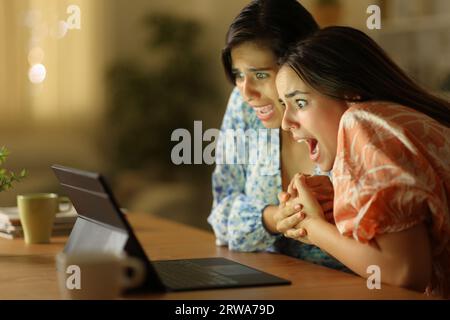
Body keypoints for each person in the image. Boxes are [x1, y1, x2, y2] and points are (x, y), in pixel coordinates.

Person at [274, 26, 450, 297]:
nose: (286, 123)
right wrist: (339, 207)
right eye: (284, 106)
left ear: (350, 92)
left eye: (299, 102)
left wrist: (311, 226)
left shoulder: (362, 122)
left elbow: (403, 273)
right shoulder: (403, 118)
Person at [207, 0, 348, 271]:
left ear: (301, 64)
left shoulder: (344, 115)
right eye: (238, 74)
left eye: (260, 74)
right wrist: (273, 218)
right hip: (272, 276)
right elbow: (221, 215)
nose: (246, 91)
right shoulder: (244, 105)